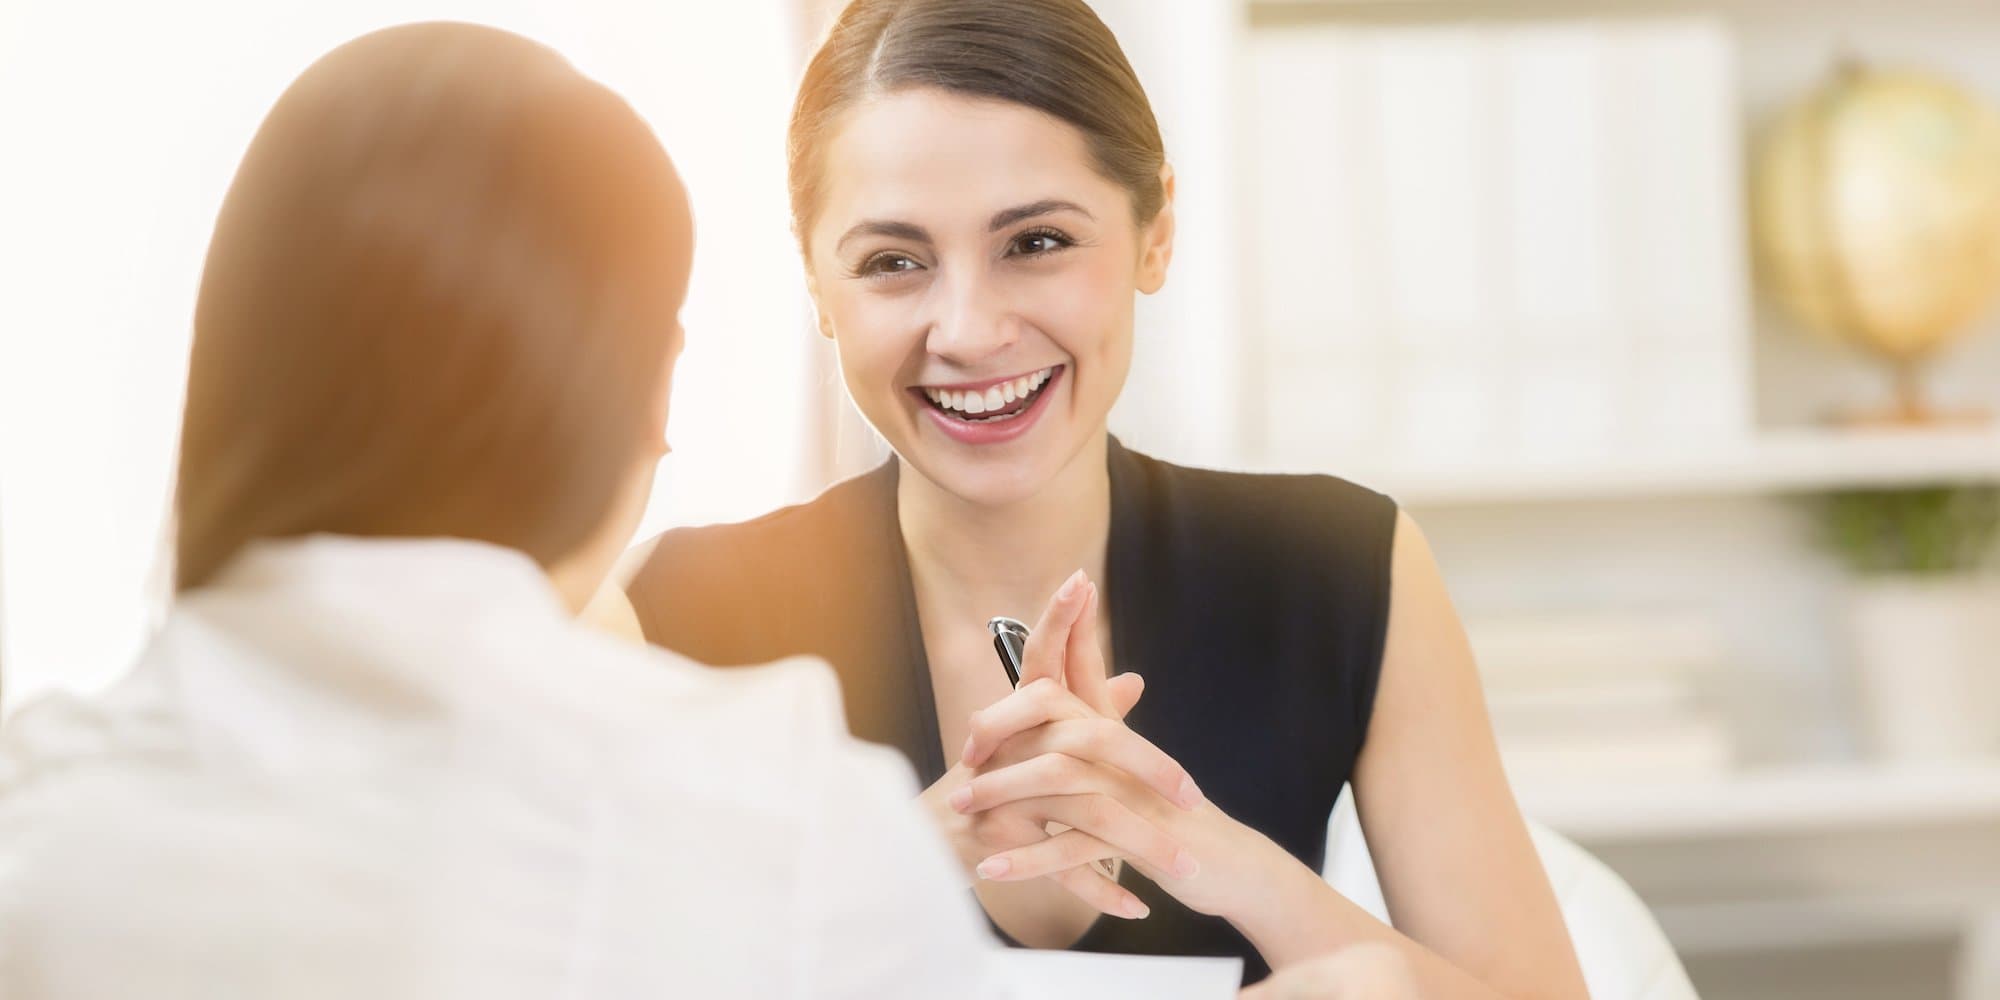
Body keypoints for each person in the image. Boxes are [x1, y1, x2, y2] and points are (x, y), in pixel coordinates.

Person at [0, 22, 1008, 999]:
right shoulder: (792, 829)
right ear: (639, 392)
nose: (962, 332)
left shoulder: (35, 816)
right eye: (891, 261)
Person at [605, 0, 1590, 995]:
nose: (969, 331)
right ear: (816, 283)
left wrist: (1212, 855)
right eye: (892, 262)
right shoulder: (678, 613)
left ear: (1154, 234)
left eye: (1033, 242)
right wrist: (888, 866)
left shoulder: (1335, 568)